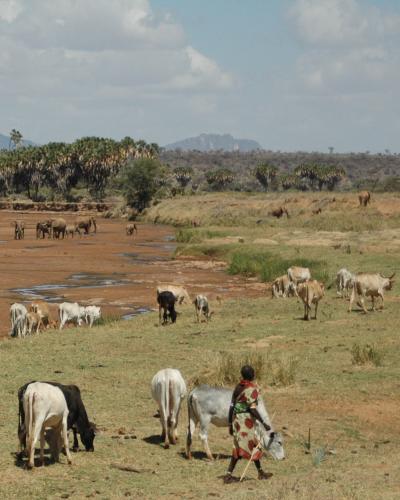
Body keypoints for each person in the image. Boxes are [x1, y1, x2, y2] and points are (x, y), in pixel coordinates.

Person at [223, 365, 272, 483]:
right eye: (253, 373)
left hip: (236, 420)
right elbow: (252, 409)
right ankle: (228, 475)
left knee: (253, 444)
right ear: (251, 375)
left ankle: (260, 472)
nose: (254, 374)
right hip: (245, 421)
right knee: (240, 447)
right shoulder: (251, 389)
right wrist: (264, 423)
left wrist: (230, 423)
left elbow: (232, 406)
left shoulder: (237, 387)